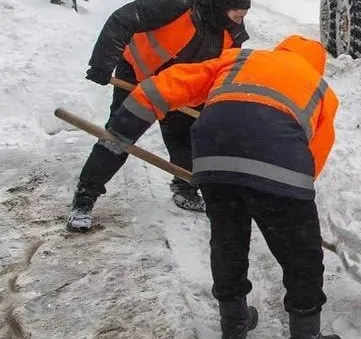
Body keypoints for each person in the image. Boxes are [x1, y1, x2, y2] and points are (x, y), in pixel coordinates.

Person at [102, 35, 341, 339]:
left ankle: (235, 324)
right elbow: (314, 158)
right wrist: (280, 202)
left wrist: (120, 131)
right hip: (279, 167)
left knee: (228, 242)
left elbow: (169, 84)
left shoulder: (239, 60)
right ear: (317, 66)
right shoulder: (321, 89)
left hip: (213, 157)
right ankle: (306, 333)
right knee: (301, 255)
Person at [67, 0, 251, 232]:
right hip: (139, 76)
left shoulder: (231, 31)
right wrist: (102, 63)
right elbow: (123, 18)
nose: (239, 21)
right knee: (119, 136)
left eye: (243, 16)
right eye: (236, 14)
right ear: (220, 6)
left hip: (179, 86)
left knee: (190, 135)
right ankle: (84, 198)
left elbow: (224, 67)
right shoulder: (176, 3)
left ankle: (185, 188)